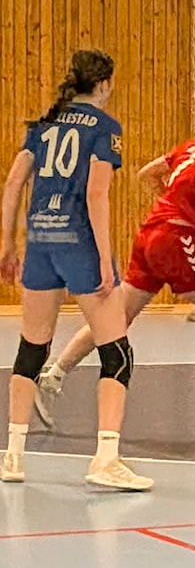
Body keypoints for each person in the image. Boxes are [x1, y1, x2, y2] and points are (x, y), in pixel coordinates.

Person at [33, 98, 195, 430]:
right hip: (175, 241)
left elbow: (147, 173)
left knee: (116, 318)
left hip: (150, 236)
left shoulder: (192, 148)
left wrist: (170, 198)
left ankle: (52, 378)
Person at [0, 49, 152, 490]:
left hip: (41, 242)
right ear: (103, 84)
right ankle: (106, 458)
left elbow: (13, 182)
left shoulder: (42, 125)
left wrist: (8, 243)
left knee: (32, 348)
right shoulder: (104, 128)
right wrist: (104, 257)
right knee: (117, 353)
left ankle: (13, 455)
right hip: (79, 244)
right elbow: (96, 194)